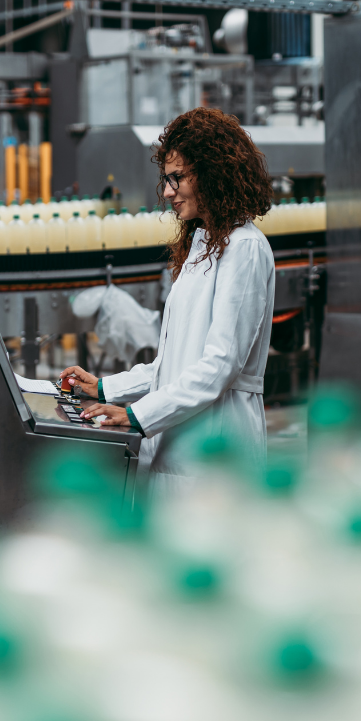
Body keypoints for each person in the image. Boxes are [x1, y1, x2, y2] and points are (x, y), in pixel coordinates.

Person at [61, 108, 275, 493]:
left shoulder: (244, 248)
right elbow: (174, 364)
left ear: (213, 174)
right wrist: (107, 389)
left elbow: (220, 365)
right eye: (166, 179)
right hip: (178, 443)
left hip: (216, 449)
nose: (167, 192)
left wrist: (136, 415)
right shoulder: (205, 244)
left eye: (177, 178)